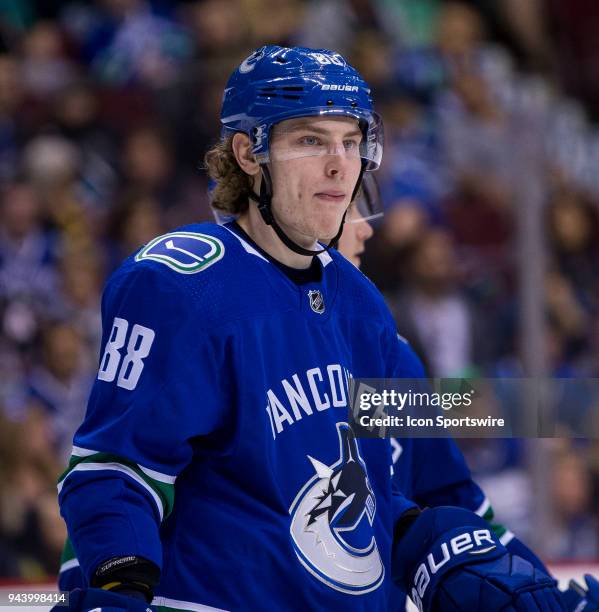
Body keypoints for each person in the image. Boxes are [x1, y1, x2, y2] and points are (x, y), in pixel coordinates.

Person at [56, 46, 566, 612]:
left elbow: (413, 496)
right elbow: (117, 471)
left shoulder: (363, 310)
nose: (340, 165)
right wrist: (116, 589)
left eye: (351, 142)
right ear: (249, 154)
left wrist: (475, 561)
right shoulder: (182, 285)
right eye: (310, 140)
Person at [337, 177, 599, 612]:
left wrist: (549, 596)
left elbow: (455, 491)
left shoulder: (390, 351)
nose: (366, 228)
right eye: (350, 213)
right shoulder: (275, 347)